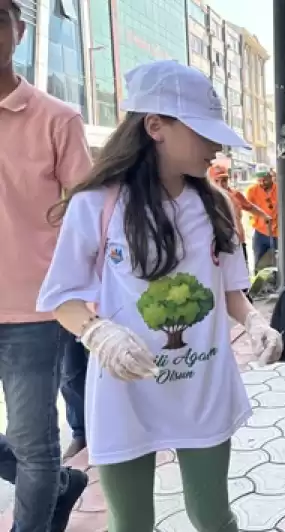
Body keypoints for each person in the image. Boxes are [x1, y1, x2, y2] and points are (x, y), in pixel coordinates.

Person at [36, 60, 284, 531]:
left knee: (213, 516)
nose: (214, 146)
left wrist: (254, 322)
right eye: (203, 132)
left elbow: (232, 291)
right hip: (124, 393)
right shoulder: (98, 204)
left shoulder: (218, 205)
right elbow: (62, 297)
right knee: (131, 524)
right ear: (156, 127)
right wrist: (98, 333)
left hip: (203, 387)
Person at [0, 0, 91, 528]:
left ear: (19, 31)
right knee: (40, 459)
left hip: (35, 311)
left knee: (34, 444)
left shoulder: (58, 119)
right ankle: (62, 484)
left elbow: (86, 216)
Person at [208, 163, 270, 268]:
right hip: (219, 246)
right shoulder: (207, 199)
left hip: (238, 243)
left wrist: (265, 216)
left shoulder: (236, 195)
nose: (221, 184)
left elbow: (250, 207)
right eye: (216, 181)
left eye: (224, 180)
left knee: (242, 275)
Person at [246, 167, 279, 271]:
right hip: (260, 232)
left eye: (264, 180)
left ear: (270, 177)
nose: (262, 183)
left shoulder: (280, 189)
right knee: (259, 262)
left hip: (277, 233)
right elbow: (247, 207)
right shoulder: (252, 191)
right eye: (259, 180)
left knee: (279, 261)